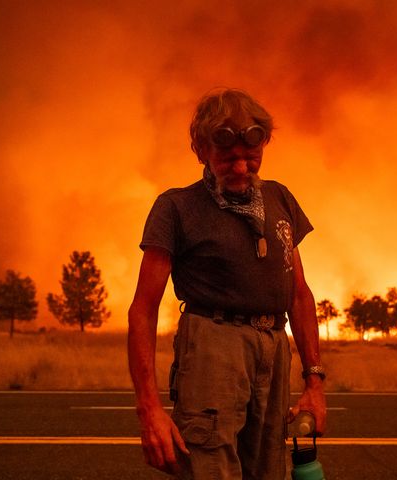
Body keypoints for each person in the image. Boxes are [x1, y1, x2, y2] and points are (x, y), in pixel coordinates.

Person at [128, 88, 327, 480]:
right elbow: (143, 309)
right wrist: (149, 409)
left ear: (264, 144)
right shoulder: (176, 207)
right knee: (211, 468)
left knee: (270, 468)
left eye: (250, 157)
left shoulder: (279, 198)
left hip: (274, 348)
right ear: (200, 149)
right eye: (228, 158)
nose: (240, 168)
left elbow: (299, 294)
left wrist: (314, 382)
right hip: (212, 348)